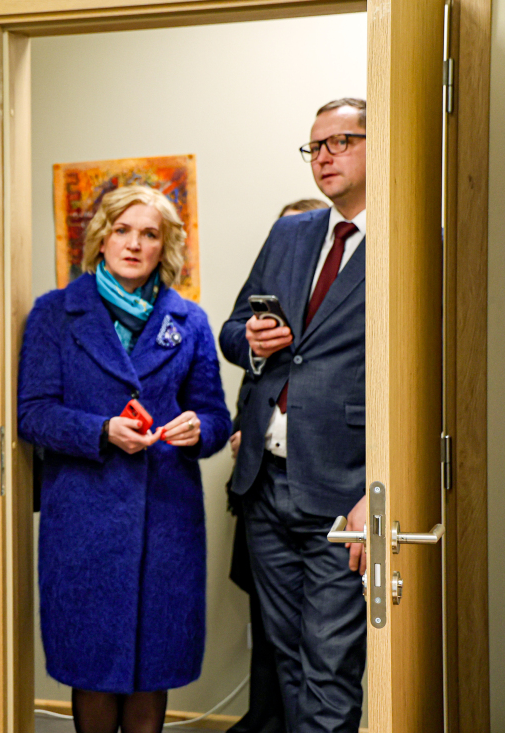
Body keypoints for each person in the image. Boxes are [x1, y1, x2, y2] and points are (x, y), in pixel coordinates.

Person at [18, 185, 231, 733]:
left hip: (166, 523)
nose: (134, 244)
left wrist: (198, 429)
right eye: (123, 230)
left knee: (153, 670)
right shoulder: (55, 313)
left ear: (165, 247)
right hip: (83, 522)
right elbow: (33, 414)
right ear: (101, 238)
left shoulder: (189, 321)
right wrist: (101, 431)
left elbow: (216, 418)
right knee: (90, 667)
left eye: (149, 234)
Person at [219, 98, 368, 733]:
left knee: (329, 669)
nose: (324, 157)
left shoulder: (408, 237)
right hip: (265, 485)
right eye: (315, 147)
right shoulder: (291, 233)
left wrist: (377, 491)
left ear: (379, 146)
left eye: (342, 142)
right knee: (284, 664)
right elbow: (231, 332)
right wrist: (253, 341)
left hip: (342, 490)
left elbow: (422, 381)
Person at [226, 197, 325, 733]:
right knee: (276, 640)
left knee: (325, 651)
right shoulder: (272, 299)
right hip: (261, 482)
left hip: (328, 485)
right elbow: (236, 343)